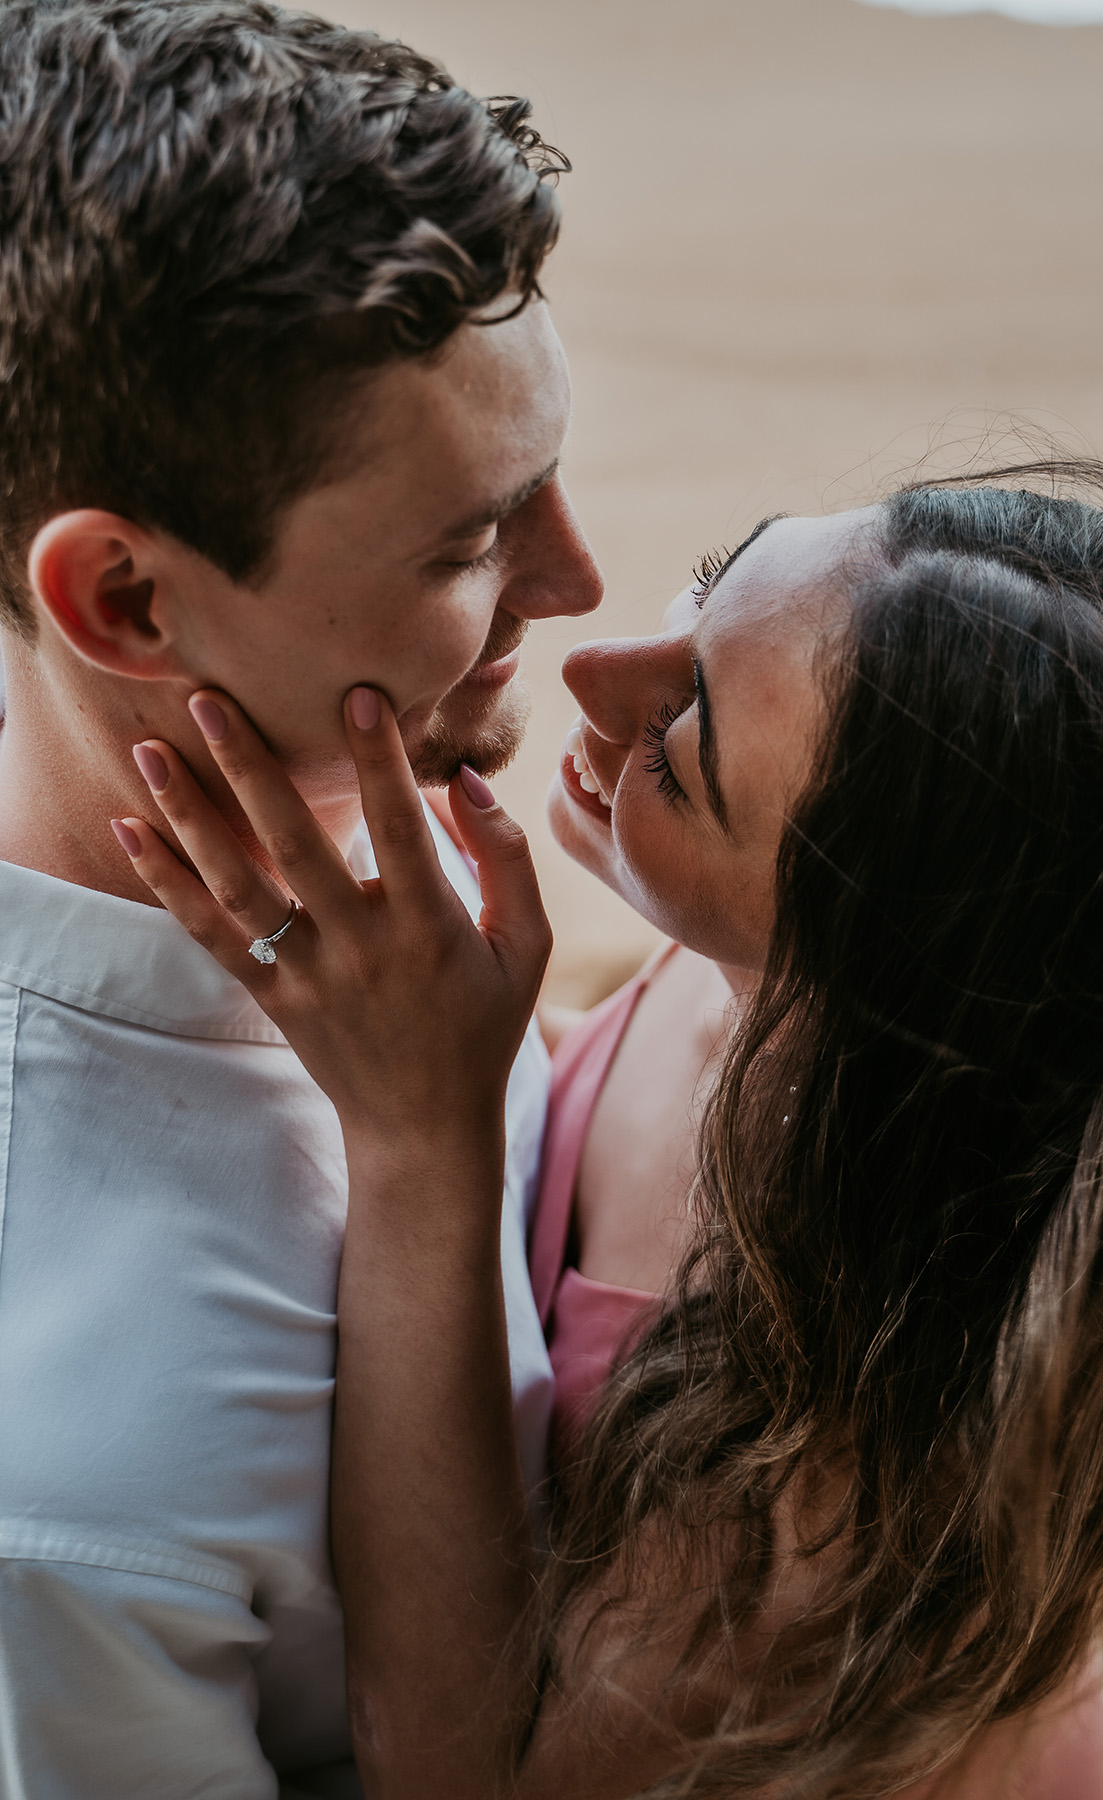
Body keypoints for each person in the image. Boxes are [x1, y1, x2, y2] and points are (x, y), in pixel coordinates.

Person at [122, 464, 1103, 1796]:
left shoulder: (847, 1488)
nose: (592, 670)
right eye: (713, 580)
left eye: (682, 747)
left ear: (867, 985)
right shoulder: (739, 972)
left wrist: (421, 1139)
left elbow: (457, 1768)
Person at [0, 3, 601, 1795]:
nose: (575, 583)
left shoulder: (396, 869)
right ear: (123, 601)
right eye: (468, 541)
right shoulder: (72, 1496)